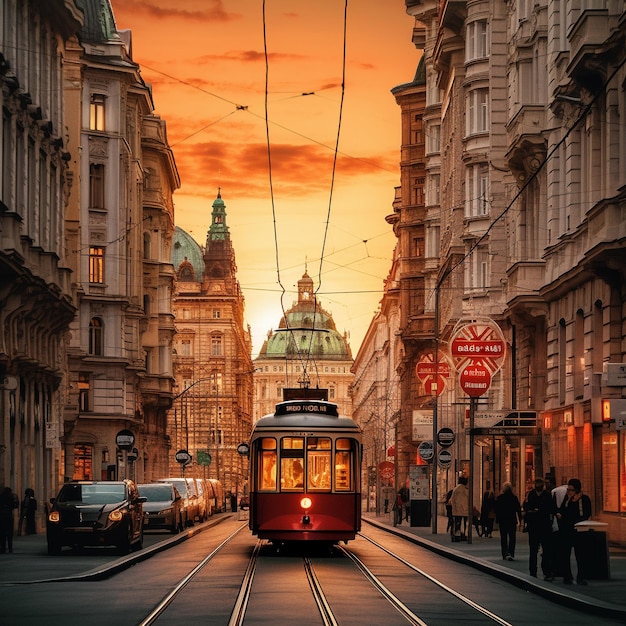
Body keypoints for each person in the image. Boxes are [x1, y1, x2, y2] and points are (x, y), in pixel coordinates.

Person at [556, 477, 592, 585]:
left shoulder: (584, 499)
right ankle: (567, 576)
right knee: (565, 554)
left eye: (571, 490)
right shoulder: (567, 500)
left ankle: (581, 576)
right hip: (567, 531)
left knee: (581, 555)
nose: (568, 492)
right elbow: (562, 511)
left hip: (579, 531)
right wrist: (560, 514)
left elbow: (586, 514)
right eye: (568, 490)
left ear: (576, 490)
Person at [523, 478, 554, 579]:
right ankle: (533, 571)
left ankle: (547, 571)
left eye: (540, 483)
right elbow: (526, 507)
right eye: (537, 483)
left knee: (547, 550)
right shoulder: (531, 494)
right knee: (533, 550)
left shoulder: (547, 495)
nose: (538, 485)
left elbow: (550, 508)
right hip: (533, 527)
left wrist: (538, 511)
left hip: (545, 526)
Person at [495, 482, 522, 560]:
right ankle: (511, 552)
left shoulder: (500, 498)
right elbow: (518, 509)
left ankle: (504, 553)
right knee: (512, 537)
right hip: (511, 520)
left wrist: (498, 519)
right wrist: (519, 519)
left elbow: (497, 509)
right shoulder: (514, 498)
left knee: (503, 537)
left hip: (503, 520)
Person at [450, 476, 469, 542]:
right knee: (464, 524)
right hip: (463, 509)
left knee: (457, 524)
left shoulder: (456, 488)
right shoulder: (464, 489)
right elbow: (466, 499)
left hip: (456, 510)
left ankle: (456, 536)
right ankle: (462, 536)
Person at [0, 486, 18, 553]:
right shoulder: (11, 498)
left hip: (1, 517)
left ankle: (3, 548)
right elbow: (15, 505)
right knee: (9, 534)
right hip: (9, 517)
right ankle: (10, 548)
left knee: (2, 534)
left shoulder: (1, 498)